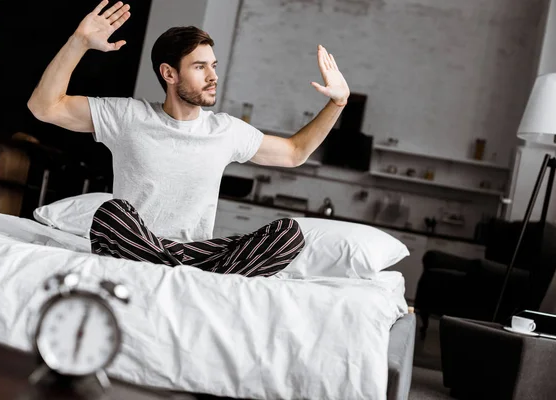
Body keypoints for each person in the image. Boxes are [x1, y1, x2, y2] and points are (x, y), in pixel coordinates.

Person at [27, 0, 350, 277]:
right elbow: (45, 107)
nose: (213, 77)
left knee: (288, 234)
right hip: (135, 244)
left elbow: (294, 153)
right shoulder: (127, 117)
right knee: (112, 215)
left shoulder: (226, 131)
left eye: (213, 66)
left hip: (198, 252)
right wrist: (79, 42)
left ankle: (176, 270)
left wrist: (337, 103)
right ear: (169, 74)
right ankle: (194, 276)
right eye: (200, 67)